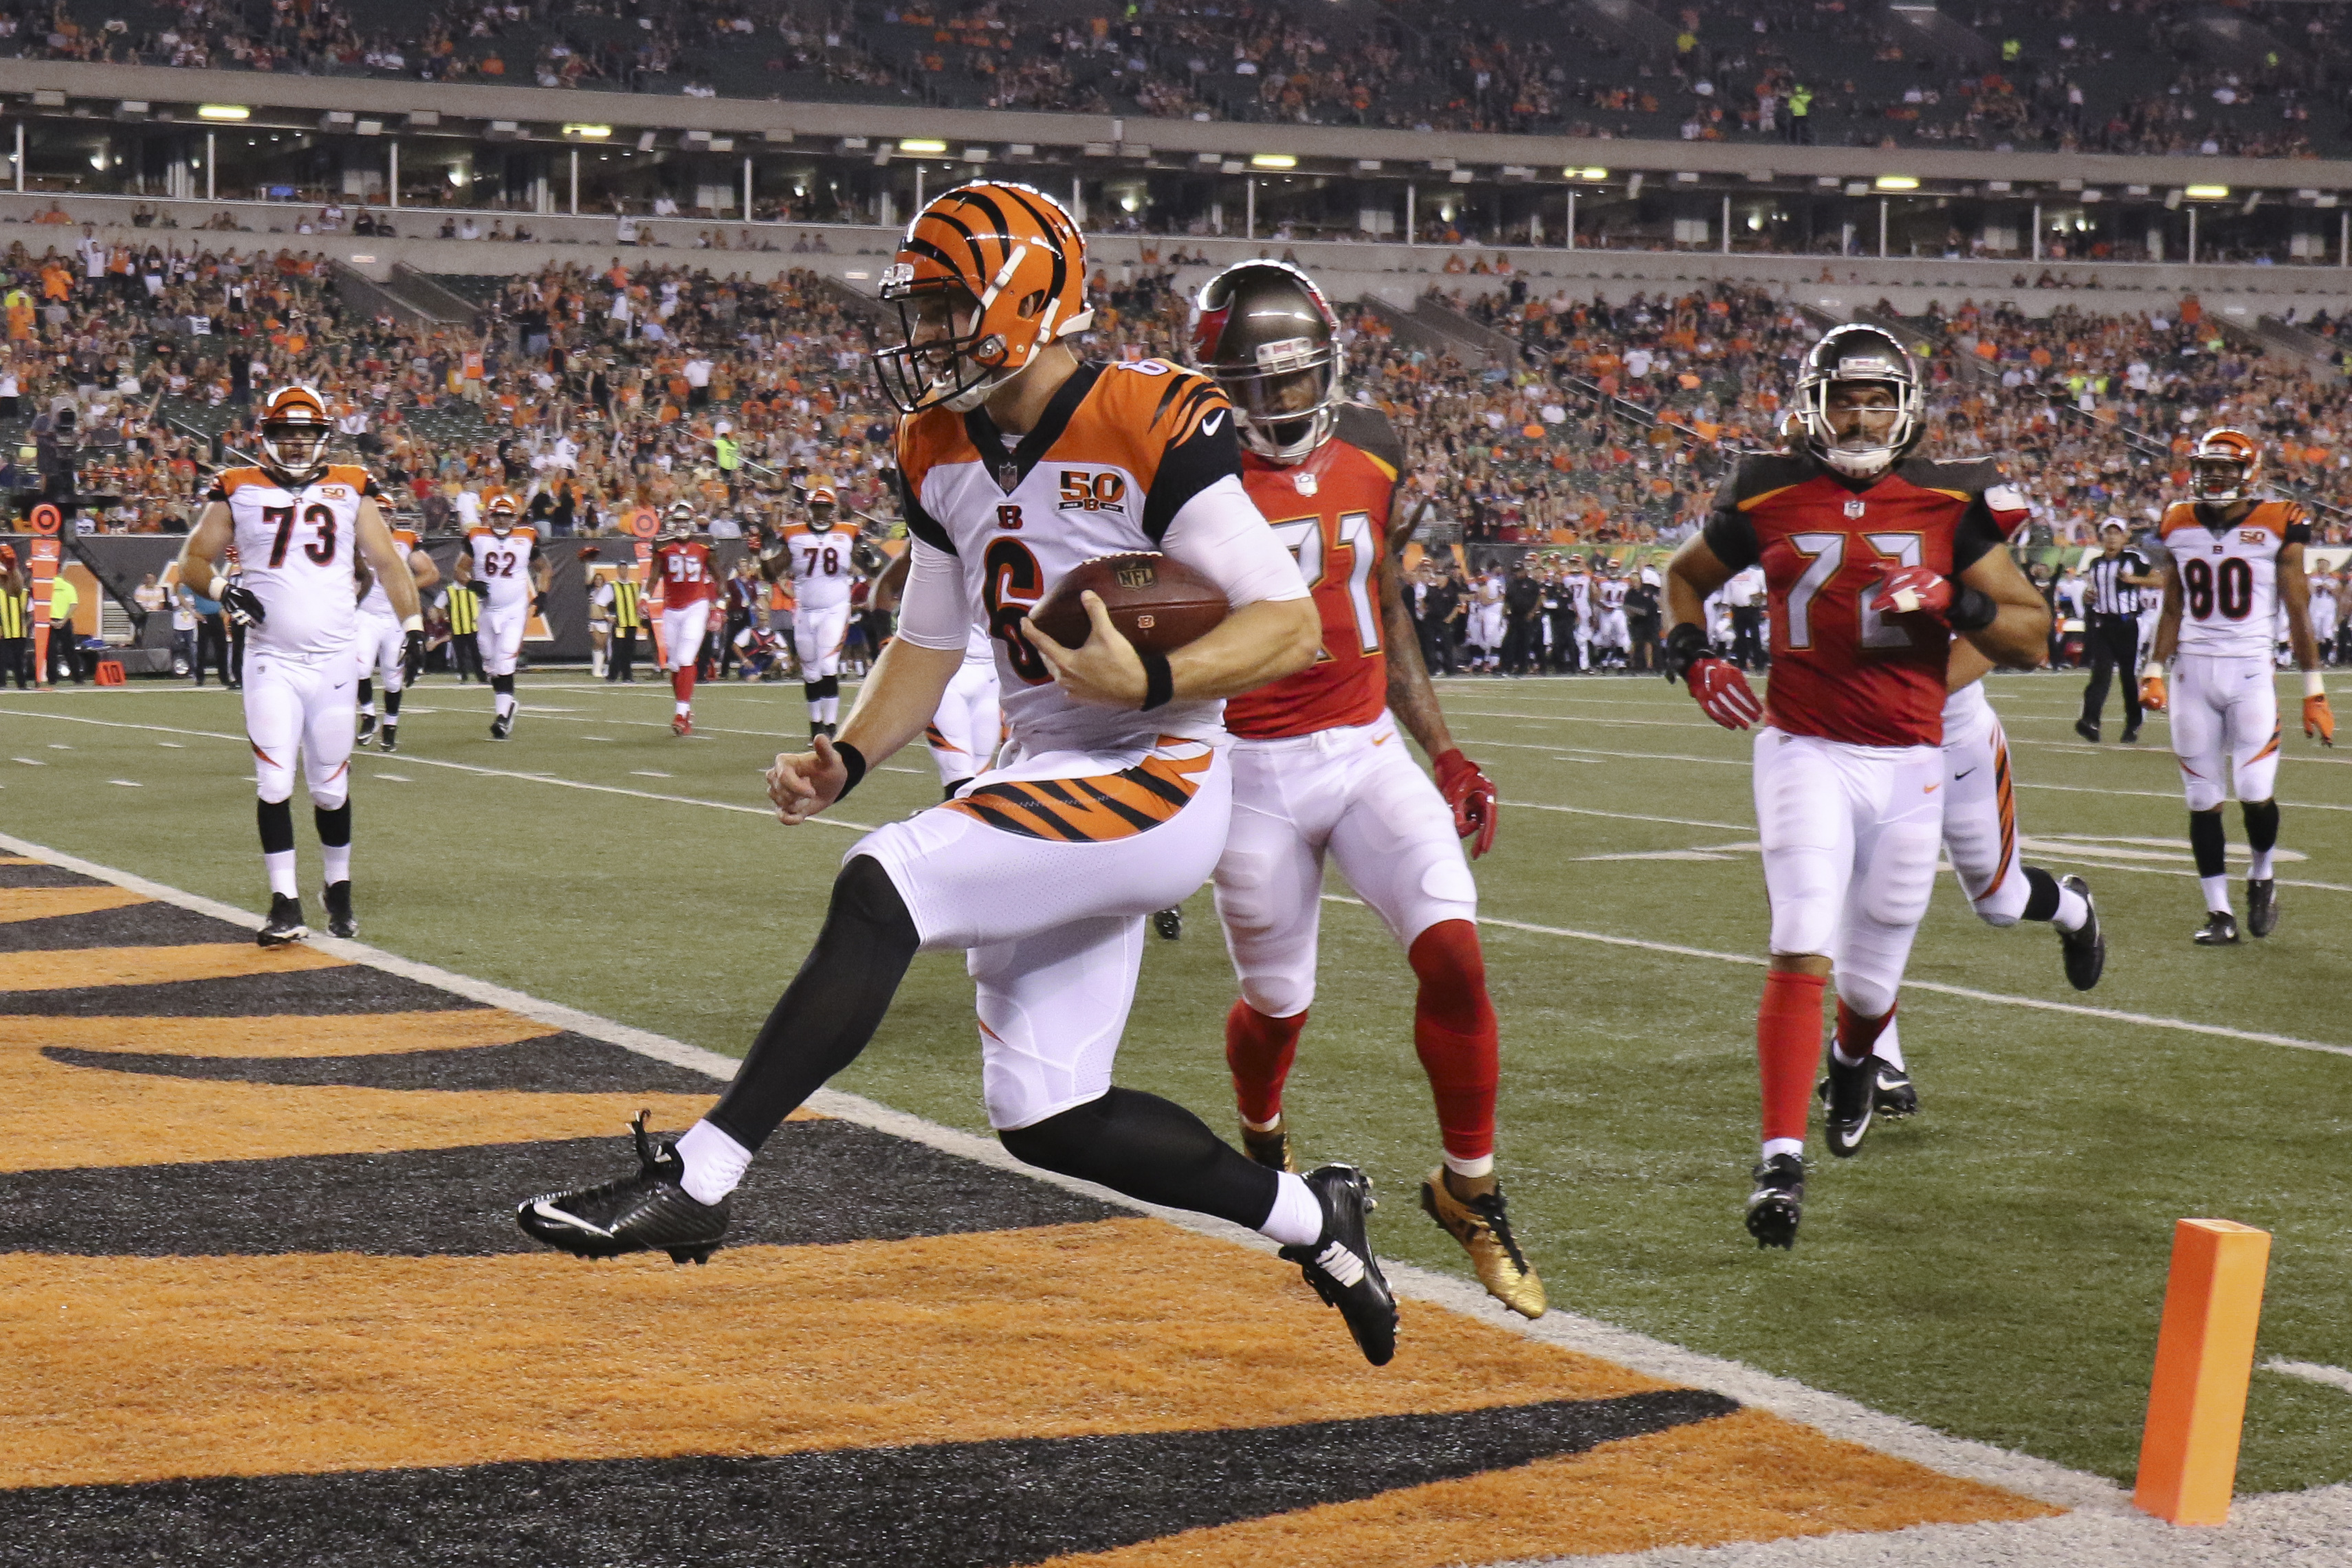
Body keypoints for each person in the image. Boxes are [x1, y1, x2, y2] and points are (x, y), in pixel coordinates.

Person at [516, 181, 1400, 1367]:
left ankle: (704, 1172)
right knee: (1048, 1115)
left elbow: (1288, 625)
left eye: (944, 310)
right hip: (1050, 771)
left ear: (1028, 302)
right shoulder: (935, 441)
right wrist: (849, 752)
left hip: (1160, 769)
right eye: (920, 312)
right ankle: (1317, 1220)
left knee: (885, 881)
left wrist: (1140, 682)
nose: (924, 338)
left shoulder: (1147, 414)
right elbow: (931, 638)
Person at [1192, 259, 1535, 1317]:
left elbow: (1381, 601)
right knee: (1276, 1003)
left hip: (1360, 745)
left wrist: (1445, 750)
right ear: (1216, 381)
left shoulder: (1376, 444)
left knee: (1455, 953)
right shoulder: (1182, 469)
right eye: (1259, 381)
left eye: (1299, 379)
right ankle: (1262, 1130)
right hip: (1246, 767)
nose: (1284, 401)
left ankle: (1467, 1189)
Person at [1661, 324, 2049, 1250]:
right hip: (1802, 746)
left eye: (1879, 399)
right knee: (1800, 933)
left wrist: (1954, 600)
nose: (1862, 415)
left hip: (1911, 758)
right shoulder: (1765, 489)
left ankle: (1850, 1058)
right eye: (1847, 398)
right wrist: (1691, 652)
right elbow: (1684, 577)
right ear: (1814, 405)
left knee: (1871, 984)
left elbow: (2032, 634)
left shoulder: (1949, 502)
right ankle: (1778, 1160)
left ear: (1905, 410)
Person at [173, 385, 422, 945]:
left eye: (305, 434)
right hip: (271, 657)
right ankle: (284, 900)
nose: (295, 443)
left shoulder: (352, 486)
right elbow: (192, 559)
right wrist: (222, 588)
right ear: (267, 436)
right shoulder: (236, 488)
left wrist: (412, 624)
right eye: (286, 433)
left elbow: (386, 561)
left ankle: (339, 885)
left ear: (322, 437)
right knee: (274, 779)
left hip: (335, 657)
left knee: (330, 788)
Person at [2140, 428, 2334, 945]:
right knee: (2202, 798)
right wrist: (2152, 669)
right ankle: (2217, 912)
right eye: (2207, 468)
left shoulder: (2278, 521)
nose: (2214, 476)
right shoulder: (2177, 521)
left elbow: (2297, 609)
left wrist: (2313, 689)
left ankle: (2262, 873)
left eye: (2225, 469)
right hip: (2191, 672)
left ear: (2249, 473)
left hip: (2250, 668)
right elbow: (2174, 605)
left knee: (2253, 791)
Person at [762, 479, 859, 737]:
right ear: (809, 508)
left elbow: (870, 564)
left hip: (835, 608)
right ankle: (815, 725)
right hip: (804, 610)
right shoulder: (794, 535)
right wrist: (764, 555)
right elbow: (773, 573)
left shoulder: (848, 532)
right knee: (810, 671)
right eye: (817, 507)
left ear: (833, 510)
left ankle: (830, 726)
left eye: (826, 508)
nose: (821, 513)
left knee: (828, 667)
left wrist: (869, 560)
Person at [452, 494, 549, 738]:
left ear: (514, 517)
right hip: (487, 610)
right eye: (498, 516)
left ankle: (503, 718)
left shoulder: (526, 537)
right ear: (489, 516)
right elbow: (459, 570)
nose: (502, 521)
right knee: (490, 666)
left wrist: (543, 593)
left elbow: (544, 568)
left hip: (515, 610)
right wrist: (472, 584)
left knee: (505, 662)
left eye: (506, 516)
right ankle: (509, 706)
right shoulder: (477, 537)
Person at [353, 516, 439, 753]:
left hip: (394, 616)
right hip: (365, 615)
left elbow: (431, 573)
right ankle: (369, 715)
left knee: (393, 676)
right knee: (359, 669)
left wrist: (402, 586)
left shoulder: (405, 539)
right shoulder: (355, 537)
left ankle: (390, 725)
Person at [2075, 520, 2157, 742]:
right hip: (2103, 624)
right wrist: (2087, 597)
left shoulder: (2133, 559)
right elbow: (2093, 593)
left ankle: (2133, 723)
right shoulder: (2095, 564)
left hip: (2126, 625)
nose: (2112, 537)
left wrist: (2134, 580)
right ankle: (2090, 721)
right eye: (2108, 533)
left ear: (2125, 537)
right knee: (2100, 674)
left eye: (2116, 533)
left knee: (2127, 677)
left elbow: (2159, 579)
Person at [648, 500, 717, 736]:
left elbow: (719, 575)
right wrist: (643, 597)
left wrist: (720, 605)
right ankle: (685, 712)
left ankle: (680, 713)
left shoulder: (705, 543)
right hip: (671, 608)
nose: (680, 525)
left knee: (687, 657)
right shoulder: (662, 545)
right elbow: (654, 575)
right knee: (675, 664)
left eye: (684, 521)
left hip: (697, 605)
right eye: (676, 521)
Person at [45, 567, 83, 685]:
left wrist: (50, 621)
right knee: (70, 651)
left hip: (49, 622)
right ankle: (78, 678)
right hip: (65, 621)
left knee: (51, 652)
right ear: (61, 571)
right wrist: (63, 620)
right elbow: (73, 605)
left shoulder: (46, 587)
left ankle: (52, 679)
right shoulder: (68, 586)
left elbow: (41, 606)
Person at [0, 545, 28, 688]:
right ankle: (20, 684)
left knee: (7, 659)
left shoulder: (19, 589)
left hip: (8, 630)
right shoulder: (22, 589)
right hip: (17, 630)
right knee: (15, 660)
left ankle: (8, 683)